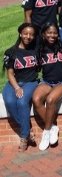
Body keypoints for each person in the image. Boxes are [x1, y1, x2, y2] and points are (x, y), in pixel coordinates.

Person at [32, 23, 62, 150]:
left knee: (50, 100)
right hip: (47, 81)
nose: (52, 35)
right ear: (43, 34)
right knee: (36, 99)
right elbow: (35, 68)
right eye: (49, 32)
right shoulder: (39, 49)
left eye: (55, 33)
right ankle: (53, 127)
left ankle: (46, 132)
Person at [2, 23, 39, 151]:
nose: (28, 36)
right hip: (14, 82)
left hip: (31, 82)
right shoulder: (11, 52)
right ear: (20, 34)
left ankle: (24, 137)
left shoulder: (36, 50)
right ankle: (28, 131)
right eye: (25, 33)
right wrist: (17, 88)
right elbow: (10, 74)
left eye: (31, 34)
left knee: (22, 102)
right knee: (10, 101)